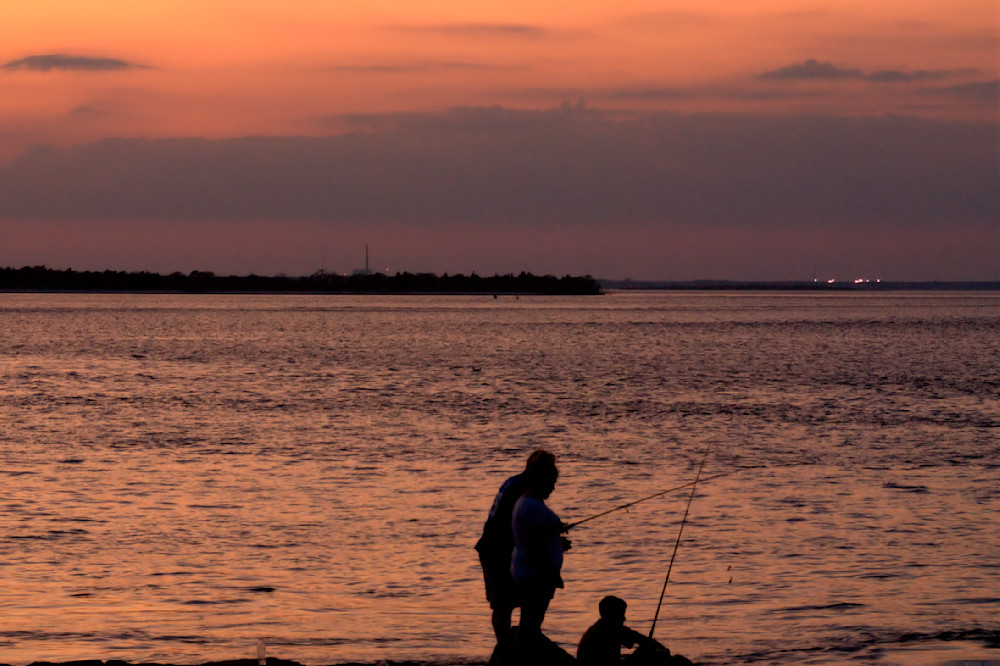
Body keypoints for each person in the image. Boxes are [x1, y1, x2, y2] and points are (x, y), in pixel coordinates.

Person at [476, 450, 555, 642]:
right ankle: (506, 647)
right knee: (504, 602)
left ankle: (511, 645)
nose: (552, 488)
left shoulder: (516, 482)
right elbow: (520, 528)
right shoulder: (522, 491)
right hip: (497, 549)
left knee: (506, 601)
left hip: (498, 547)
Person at [510, 452, 571, 649]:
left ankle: (522, 655)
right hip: (535, 576)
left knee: (530, 624)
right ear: (540, 481)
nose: (553, 488)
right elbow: (535, 546)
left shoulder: (526, 504)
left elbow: (536, 538)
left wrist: (557, 542)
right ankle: (521, 658)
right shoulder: (533, 508)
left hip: (528, 572)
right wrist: (552, 574)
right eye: (551, 482)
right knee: (530, 626)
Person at [577, 596, 691, 666]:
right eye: (621, 615)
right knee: (649, 652)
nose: (624, 619)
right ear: (611, 615)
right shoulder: (611, 629)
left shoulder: (599, 628)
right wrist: (663, 652)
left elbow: (637, 639)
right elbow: (645, 642)